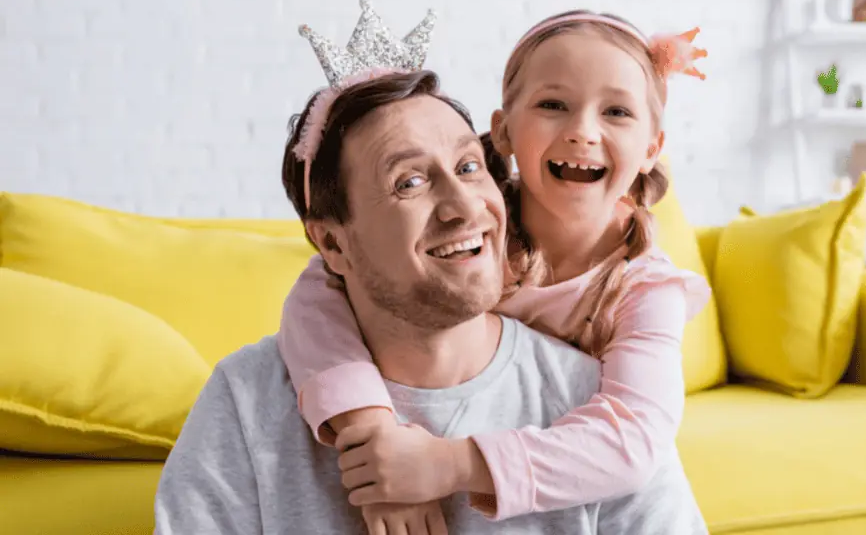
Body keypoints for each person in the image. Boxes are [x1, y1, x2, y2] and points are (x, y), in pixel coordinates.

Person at [153, 67, 704, 534]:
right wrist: (368, 430)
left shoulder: (589, 405)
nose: (464, 207)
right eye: (410, 183)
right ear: (333, 243)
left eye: (469, 167)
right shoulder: (247, 402)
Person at [277, 6, 712, 530]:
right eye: (553, 104)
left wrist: (447, 465)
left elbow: (633, 439)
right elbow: (317, 291)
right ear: (502, 132)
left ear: (652, 149)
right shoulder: (468, 235)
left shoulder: (646, 290)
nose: (583, 131)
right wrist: (372, 434)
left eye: (616, 112)